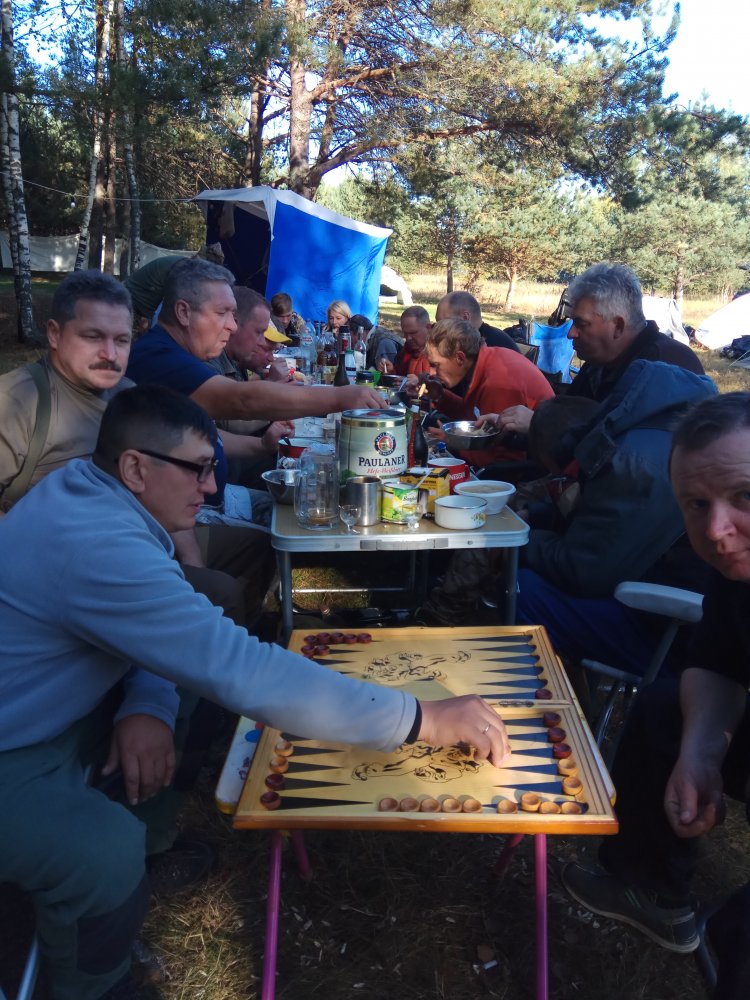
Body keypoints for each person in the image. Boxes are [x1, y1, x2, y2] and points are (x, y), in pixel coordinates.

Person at [0, 384, 510, 1000]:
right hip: (16, 747)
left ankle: (150, 845)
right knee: (102, 855)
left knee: (183, 668)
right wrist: (421, 719)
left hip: (46, 709)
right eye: (198, 469)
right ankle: (96, 985)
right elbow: (242, 669)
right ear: (135, 468)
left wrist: (147, 703)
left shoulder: (92, 494)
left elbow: (157, 629)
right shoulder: (97, 543)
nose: (212, 486)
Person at [561, 392, 750, 1000]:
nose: (717, 531)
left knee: (739, 941)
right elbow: (715, 663)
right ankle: (648, 889)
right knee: (665, 710)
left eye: (745, 496)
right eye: (697, 504)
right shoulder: (734, 568)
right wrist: (700, 754)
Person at [126, 260, 383, 424]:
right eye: (221, 313)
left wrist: (259, 447)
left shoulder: (173, 352)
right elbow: (242, 401)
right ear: (183, 313)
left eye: (233, 315)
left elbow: (208, 433)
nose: (232, 326)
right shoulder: (160, 358)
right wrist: (339, 397)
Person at [497, 263, 705, 438]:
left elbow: (618, 449)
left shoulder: (665, 366)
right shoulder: (601, 361)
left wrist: (538, 425)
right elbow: (571, 411)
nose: (571, 333)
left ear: (618, 326)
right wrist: (511, 424)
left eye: (581, 324)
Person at [423, 317, 554, 465]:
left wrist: (452, 444)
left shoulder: (498, 382)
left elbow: (505, 461)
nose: (431, 372)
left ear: (459, 358)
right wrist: (440, 396)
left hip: (541, 464)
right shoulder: (485, 361)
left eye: (435, 365)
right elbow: (473, 419)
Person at [124, 245, 224, 334]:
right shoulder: (182, 271)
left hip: (135, 308)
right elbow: (162, 312)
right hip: (127, 306)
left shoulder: (184, 266)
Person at [435, 291, 520, 352]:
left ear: (465, 318)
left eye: (443, 323)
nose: (438, 331)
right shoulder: (469, 340)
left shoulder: (492, 347)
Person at [379, 306, 432, 380]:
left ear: (428, 328)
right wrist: (391, 371)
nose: (408, 338)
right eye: (405, 333)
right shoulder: (406, 350)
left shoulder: (440, 351)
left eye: (413, 333)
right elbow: (401, 378)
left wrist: (420, 382)